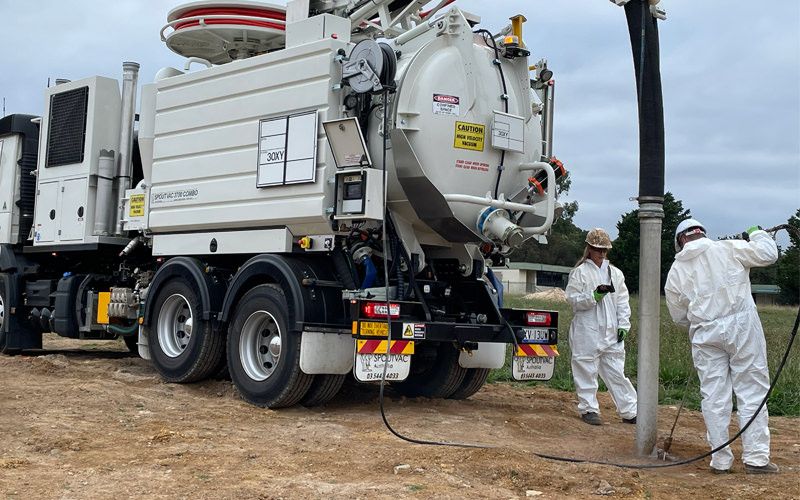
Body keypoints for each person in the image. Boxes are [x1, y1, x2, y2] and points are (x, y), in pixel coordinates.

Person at [665, 219, 779, 474]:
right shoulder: (728, 248)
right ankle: (756, 459)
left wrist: (702, 323)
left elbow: (678, 316)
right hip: (742, 326)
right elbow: (769, 253)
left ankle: (720, 460)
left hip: (705, 333)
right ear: (702, 233)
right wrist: (757, 233)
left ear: (680, 241)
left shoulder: (676, 271)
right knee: (752, 390)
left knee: (714, 396)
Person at [565, 228, 637, 426]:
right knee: (585, 368)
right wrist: (592, 297)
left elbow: (623, 301)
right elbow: (572, 299)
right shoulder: (579, 273)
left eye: (605, 250)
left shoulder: (615, 273)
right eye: (598, 249)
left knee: (616, 372)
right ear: (589, 249)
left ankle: (630, 411)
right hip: (587, 330)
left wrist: (624, 324)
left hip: (611, 331)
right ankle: (589, 409)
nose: (602, 254)